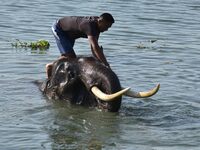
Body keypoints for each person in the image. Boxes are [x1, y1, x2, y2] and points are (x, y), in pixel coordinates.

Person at [46, 13, 115, 79]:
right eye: (106, 26)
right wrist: (106, 65)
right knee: (72, 57)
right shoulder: (90, 25)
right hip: (59, 29)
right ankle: (51, 66)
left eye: (108, 27)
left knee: (67, 56)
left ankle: (53, 67)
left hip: (70, 35)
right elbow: (95, 47)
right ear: (100, 21)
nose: (106, 29)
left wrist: (99, 62)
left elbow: (93, 48)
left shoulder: (97, 27)